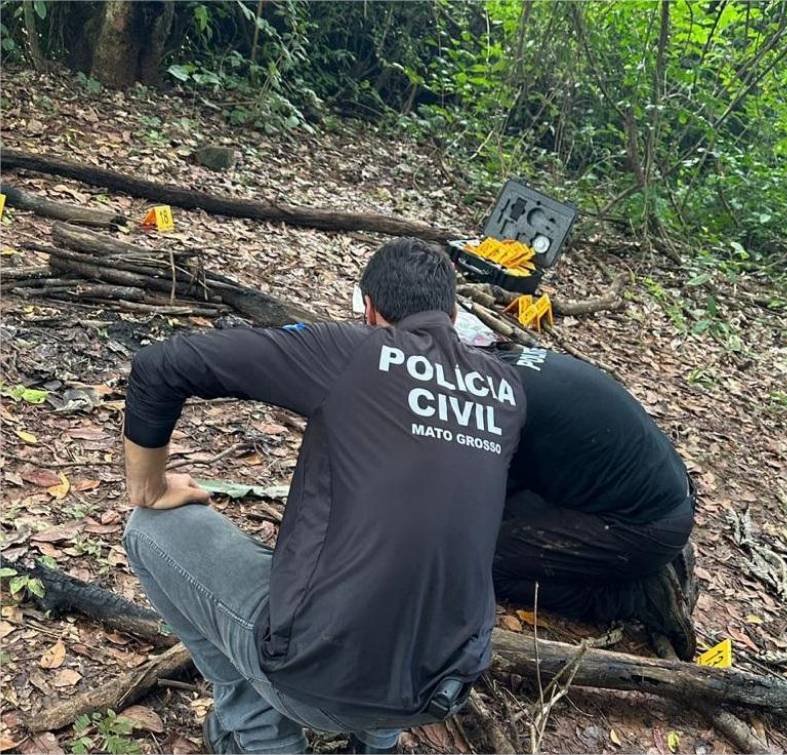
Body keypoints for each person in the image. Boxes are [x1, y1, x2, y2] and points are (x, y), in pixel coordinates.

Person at [122, 238, 526, 754]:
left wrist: (150, 486)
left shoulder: (356, 352)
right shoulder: (507, 391)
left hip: (314, 679)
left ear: (370, 310)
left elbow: (160, 365)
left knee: (147, 528)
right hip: (442, 687)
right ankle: (377, 744)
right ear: (451, 312)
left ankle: (259, 735)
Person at [489, 345, 698, 660]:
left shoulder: (497, 403)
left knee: (484, 560)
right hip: (654, 493)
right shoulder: (504, 361)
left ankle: (630, 596)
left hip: (643, 527)